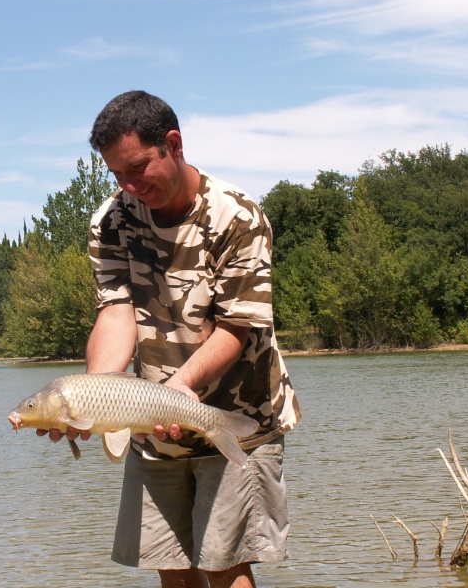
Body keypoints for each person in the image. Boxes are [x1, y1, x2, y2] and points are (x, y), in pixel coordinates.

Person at [41, 90, 301, 588]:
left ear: (173, 144)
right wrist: (95, 396)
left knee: (225, 566)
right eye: (118, 175)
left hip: (238, 411)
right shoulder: (111, 221)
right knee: (172, 568)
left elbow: (237, 327)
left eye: (139, 168)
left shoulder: (238, 217)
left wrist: (176, 391)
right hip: (151, 424)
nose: (131, 185)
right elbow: (116, 313)